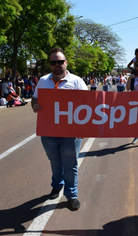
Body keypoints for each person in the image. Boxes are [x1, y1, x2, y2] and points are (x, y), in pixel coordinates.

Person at [31, 47, 88, 211]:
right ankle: (57, 185)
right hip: (48, 132)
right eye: (53, 62)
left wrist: (82, 129)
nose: (57, 65)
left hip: (70, 133)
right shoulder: (42, 81)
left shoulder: (77, 82)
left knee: (70, 165)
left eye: (60, 62)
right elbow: (34, 98)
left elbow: (87, 106)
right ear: (50, 65)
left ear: (66, 63)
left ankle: (71, 195)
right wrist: (34, 105)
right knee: (55, 162)